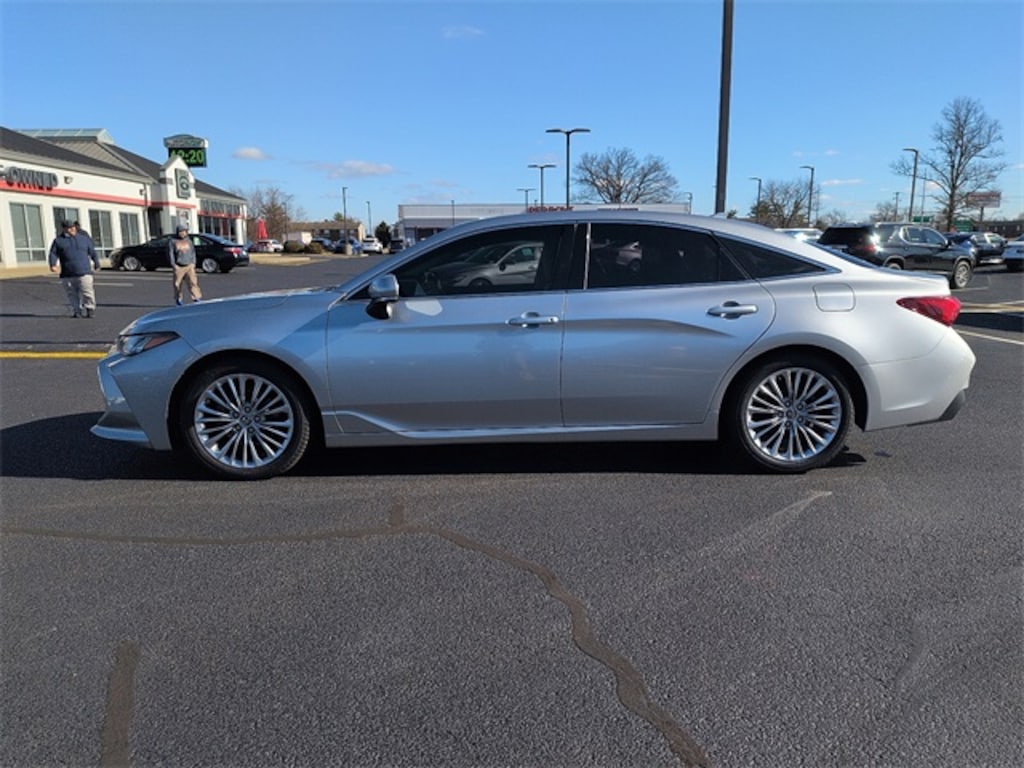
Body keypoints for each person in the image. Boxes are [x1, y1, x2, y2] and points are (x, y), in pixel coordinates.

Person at [48, 219, 100, 318]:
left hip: (84, 272)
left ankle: (90, 309)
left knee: (87, 292)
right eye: (69, 228)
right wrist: (52, 264)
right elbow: (53, 253)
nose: (72, 229)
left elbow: (92, 251)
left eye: (73, 227)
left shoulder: (84, 239)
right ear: (64, 229)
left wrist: (96, 263)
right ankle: (77, 311)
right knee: (72, 294)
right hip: (67, 273)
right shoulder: (58, 241)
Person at [168, 223, 202, 305]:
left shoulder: (188, 241)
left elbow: (193, 252)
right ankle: (178, 299)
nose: (183, 233)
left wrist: (193, 263)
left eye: (184, 231)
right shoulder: (173, 241)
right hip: (179, 266)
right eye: (181, 231)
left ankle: (197, 298)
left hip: (189, 265)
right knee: (177, 284)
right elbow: (170, 254)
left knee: (193, 282)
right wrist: (174, 265)